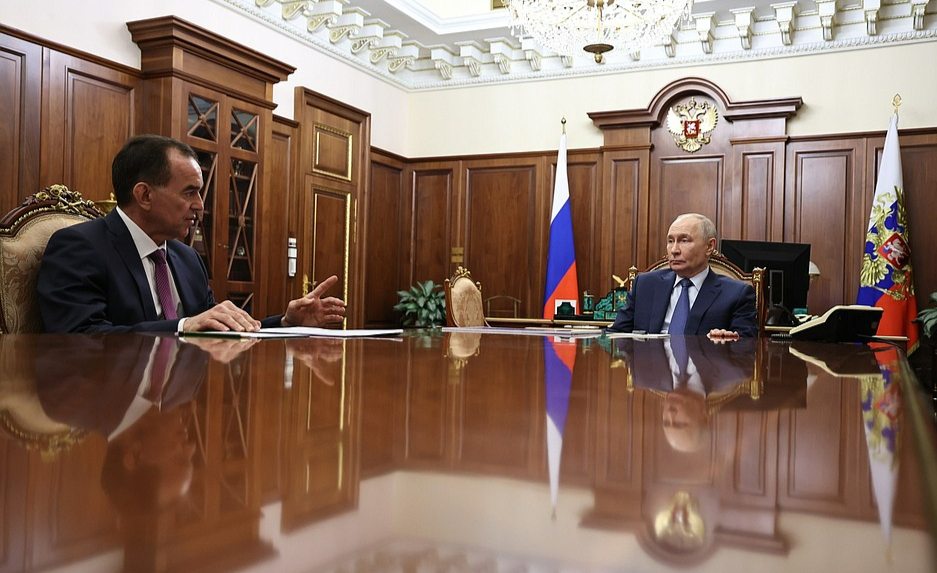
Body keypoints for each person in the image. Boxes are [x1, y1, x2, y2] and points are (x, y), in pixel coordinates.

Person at [38, 134, 346, 333]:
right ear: (145, 195)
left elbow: (215, 326)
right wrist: (183, 326)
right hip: (112, 406)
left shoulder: (187, 258)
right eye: (190, 192)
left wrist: (285, 322)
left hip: (186, 398)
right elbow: (81, 337)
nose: (200, 205)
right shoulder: (80, 247)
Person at [607, 213, 757, 338]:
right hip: (650, 364)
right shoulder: (645, 285)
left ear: (709, 246)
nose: (674, 250)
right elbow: (616, 334)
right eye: (670, 241)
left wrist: (728, 341)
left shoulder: (736, 294)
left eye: (684, 241)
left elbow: (747, 346)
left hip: (705, 365)